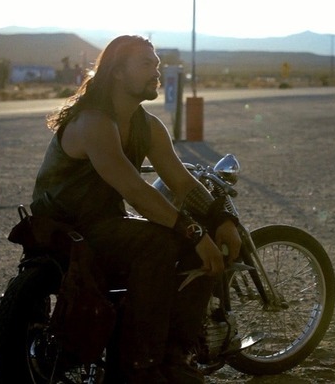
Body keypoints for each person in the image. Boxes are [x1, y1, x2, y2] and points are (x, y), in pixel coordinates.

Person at [30, 35, 241, 383]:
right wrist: (194, 232)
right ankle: (139, 366)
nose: (155, 72)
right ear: (115, 72)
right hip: (67, 230)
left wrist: (221, 217)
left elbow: (182, 182)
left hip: (102, 226)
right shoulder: (94, 121)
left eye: (157, 65)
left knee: (181, 240)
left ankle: (175, 352)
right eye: (146, 64)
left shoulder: (148, 126)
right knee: (159, 245)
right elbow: (133, 189)